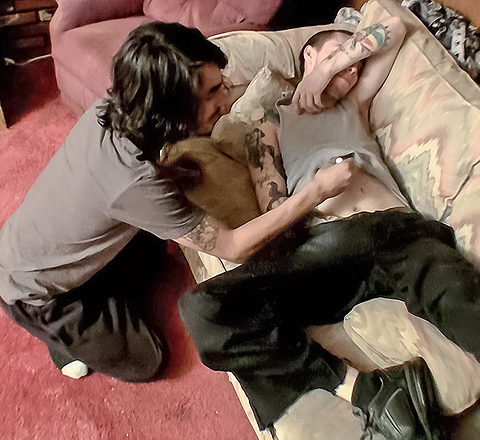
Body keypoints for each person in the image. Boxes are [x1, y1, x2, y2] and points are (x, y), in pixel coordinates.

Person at [178, 18, 480, 440]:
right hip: (327, 250)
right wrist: (317, 190)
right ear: (308, 54)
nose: (350, 72)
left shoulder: (353, 102)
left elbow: (397, 26)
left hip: (402, 238)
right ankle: (366, 391)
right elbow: (273, 209)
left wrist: (331, 68)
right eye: (335, 56)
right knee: (204, 311)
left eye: (354, 67)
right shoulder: (271, 121)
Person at [0, 22, 352, 383]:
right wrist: (317, 191)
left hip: (43, 238)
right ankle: (60, 336)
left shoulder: (119, 105)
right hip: (32, 292)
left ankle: (97, 283)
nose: (225, 99)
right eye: (212, 93)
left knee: (156, 250)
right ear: (171, 108)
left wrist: (167, 170)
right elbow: (233, 246)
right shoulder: (133, 182)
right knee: (147, 361)